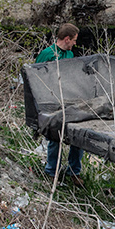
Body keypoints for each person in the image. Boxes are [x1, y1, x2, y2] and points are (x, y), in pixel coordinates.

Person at [36, 23, 84, 185]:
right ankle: (51, 172)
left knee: (77, 136)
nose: (75, 44)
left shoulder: (70, 55)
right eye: (74, 40)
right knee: (55, 137)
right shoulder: (47, 54)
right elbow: (36, 77)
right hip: (52, 102)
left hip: (69, 101)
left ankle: (74, 171)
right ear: (67, 39)